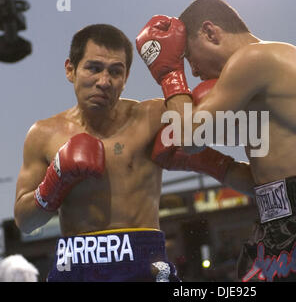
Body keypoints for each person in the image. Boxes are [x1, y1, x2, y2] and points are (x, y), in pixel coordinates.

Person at [136, 0, 296, 282]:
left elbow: (190, 136)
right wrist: (211, 163)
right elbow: (271, 189)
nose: (193, 71)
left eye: (189, 57)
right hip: (277, 225)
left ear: (210, 32)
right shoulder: (252, 88)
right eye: (184, 65)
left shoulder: (255, 58)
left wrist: (170, 74)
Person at [14, 23, 251, 282]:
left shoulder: (153, 117)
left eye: (115, 72)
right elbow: (25, 223)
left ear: (126, 78)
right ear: (70, 70)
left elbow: (221, 146)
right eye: (93, 68)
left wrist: (172, 78)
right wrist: (55, 181)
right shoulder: (43, 134)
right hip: (77, 267)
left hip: (145, 265)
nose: (104, 82)